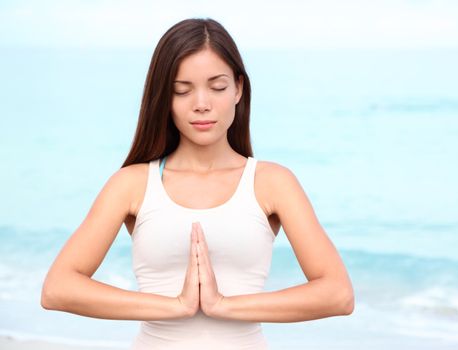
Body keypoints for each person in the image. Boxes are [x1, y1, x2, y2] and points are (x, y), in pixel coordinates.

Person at [40, 17, 354, 349]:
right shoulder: (132, 184)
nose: (201, 103)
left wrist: (224, 305)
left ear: (238, 89)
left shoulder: (272, 183)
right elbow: (58, 288)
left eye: (217, 87)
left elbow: (337, 293)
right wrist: (176, 306)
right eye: (182, 90)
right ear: (164, 98)